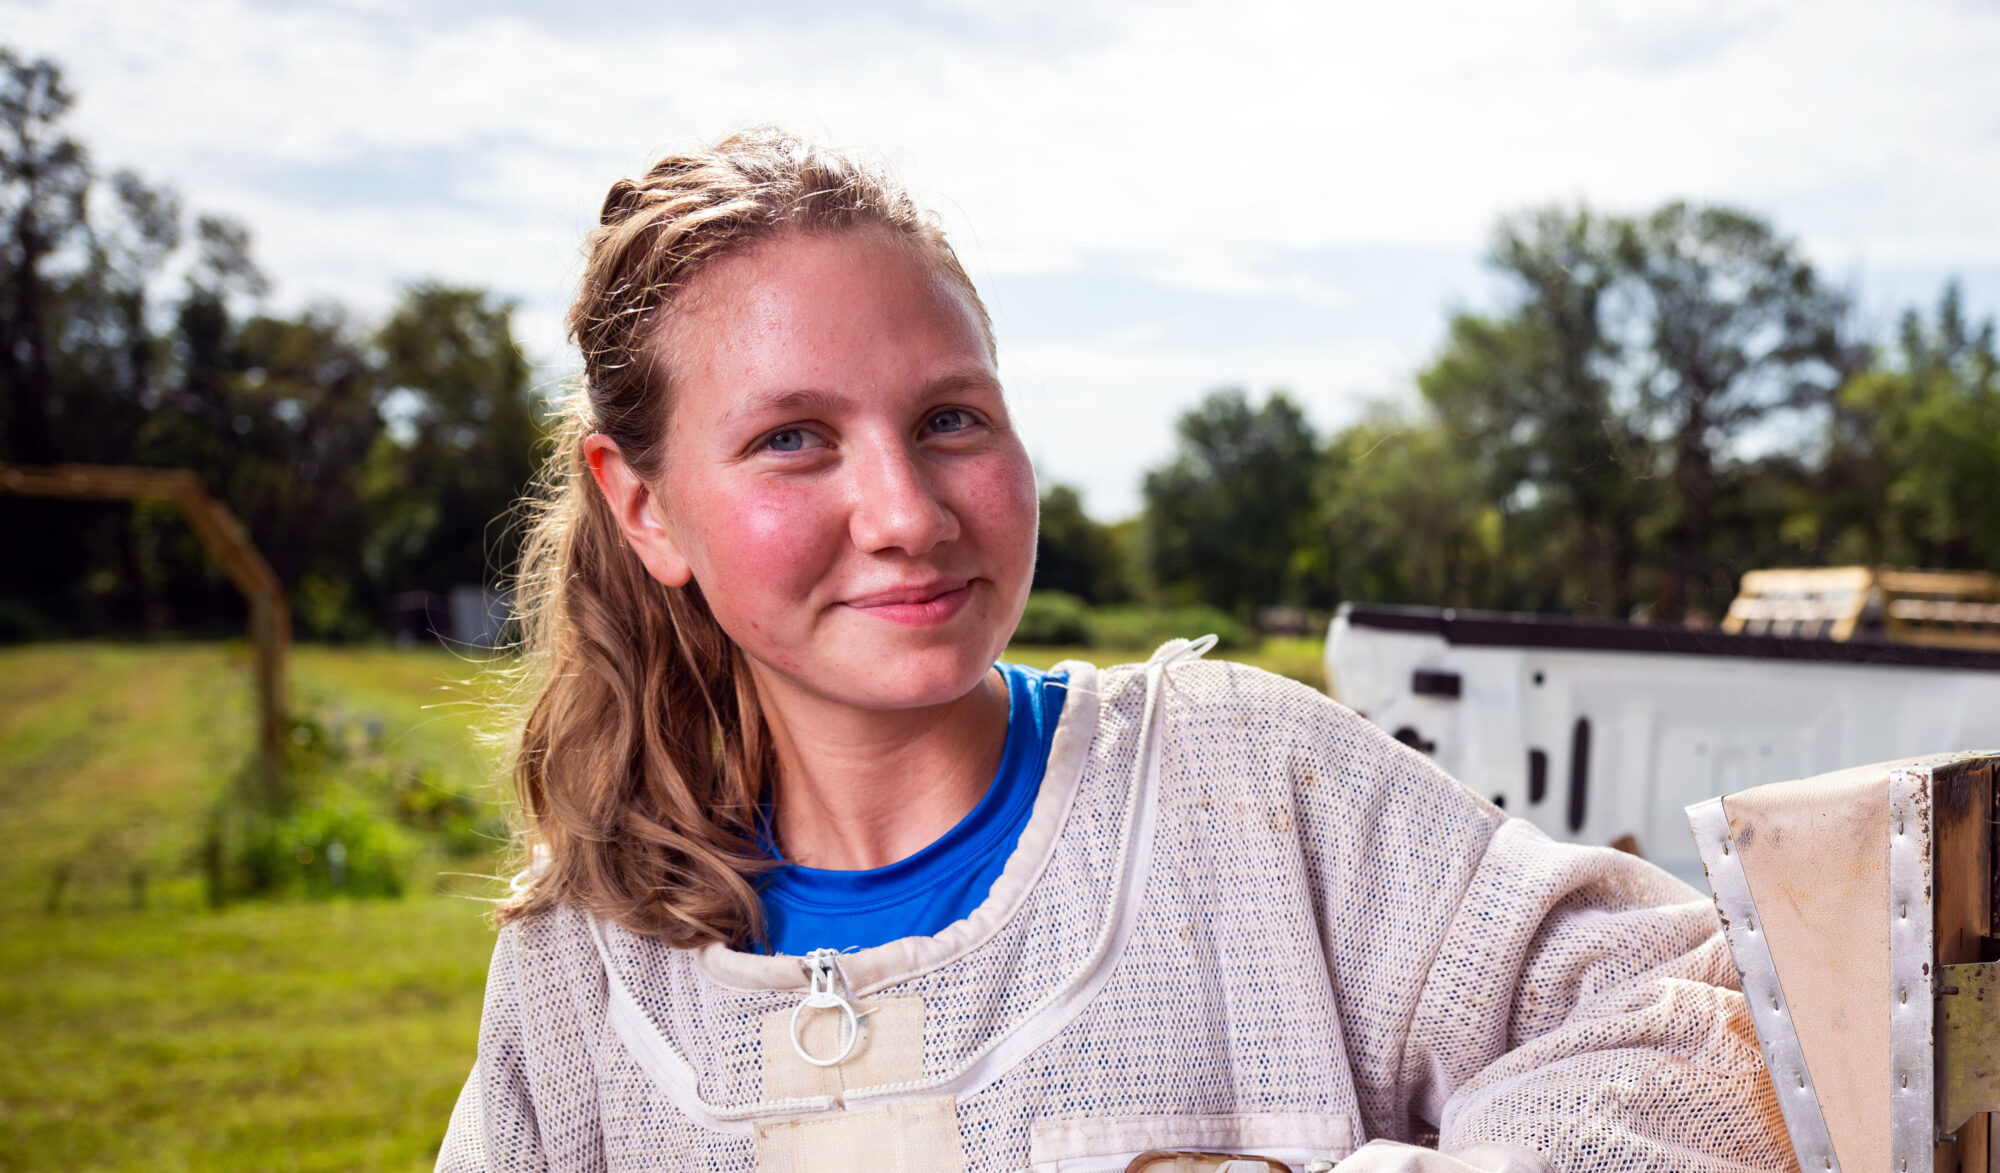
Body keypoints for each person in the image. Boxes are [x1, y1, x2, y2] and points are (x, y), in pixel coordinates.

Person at [436, 130, 1792, 1173]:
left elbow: (1710, 1029)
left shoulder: (1247, 786)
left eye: (952, 419)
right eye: (793, 437)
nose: (907, 513)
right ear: (644, 502)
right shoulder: (585, 966)